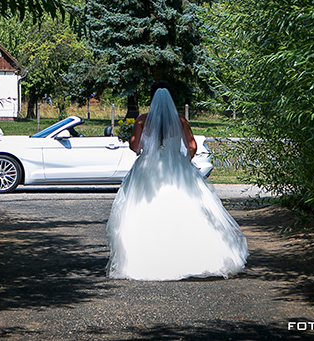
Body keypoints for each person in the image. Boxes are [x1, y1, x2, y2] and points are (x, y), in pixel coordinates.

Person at [105, 81, 249, 281]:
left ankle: (145, 260)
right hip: (177, 168)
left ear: (152, 97)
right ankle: (196, 257)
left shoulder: (142, 120)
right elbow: (192, 146)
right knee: (188, 209)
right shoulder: (180, 120)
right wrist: (182, 162)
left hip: (148, 169)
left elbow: (135, 147)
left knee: (144, 210)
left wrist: (137, 141)